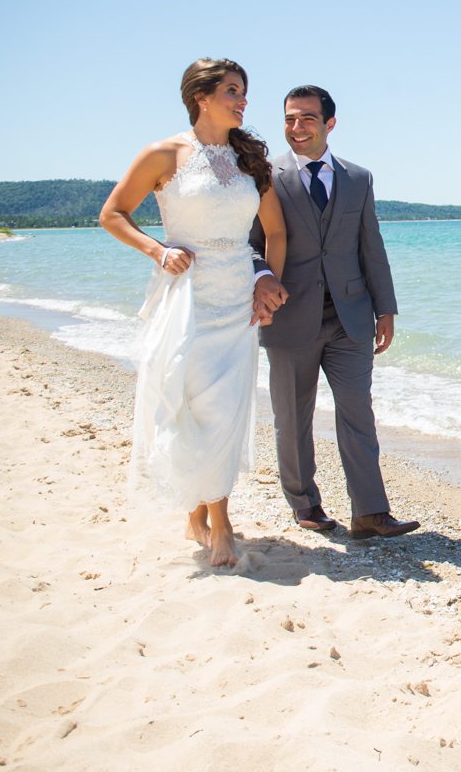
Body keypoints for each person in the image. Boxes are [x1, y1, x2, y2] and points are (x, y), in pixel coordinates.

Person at [100, 58, 287, 567]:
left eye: (244, 91)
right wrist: (158, 251)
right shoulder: (165, 154)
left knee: (225, 412)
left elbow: (275, 233)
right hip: (185, 299)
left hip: (237, 303)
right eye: (232, 90)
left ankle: (219, 521)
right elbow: (112, 215)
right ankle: (196, 515)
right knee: (186, 408)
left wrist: (267, 280)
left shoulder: (249, 161)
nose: (242, 100)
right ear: (201, 97)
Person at [248, 85, 418, 539]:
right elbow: (248, 245)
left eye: (306, 118)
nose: (296, 127)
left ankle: (370, 512)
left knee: (357, 411)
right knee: (292, 415)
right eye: (289, 119)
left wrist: (386, 308)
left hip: (351, 316)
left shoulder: (359, 178)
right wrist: (260, 277)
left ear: (330, 124)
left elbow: (371, 246)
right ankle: (306, 505)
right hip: (287, 316)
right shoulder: (263, 175)